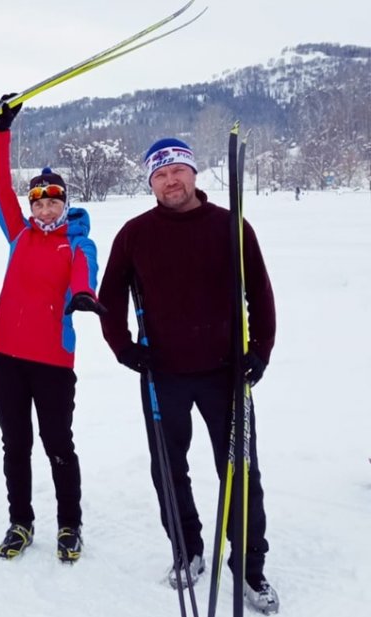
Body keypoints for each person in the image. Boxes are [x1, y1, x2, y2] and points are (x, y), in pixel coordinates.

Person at [97, 137, 279, 613]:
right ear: (151, 182)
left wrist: (258, 352)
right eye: (159, 174)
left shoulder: (230, 226)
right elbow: (110, 297)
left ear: (194, 174)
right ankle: (189, 550)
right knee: (169, 471)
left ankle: (250, 568)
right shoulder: (135, 233)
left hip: (226, 375)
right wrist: (123, 348)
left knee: (240, 473)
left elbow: (260, 295)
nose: (170, 180)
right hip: (162, 374)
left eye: (177, 170)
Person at [0, 102, 105, 564]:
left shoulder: (76, 241)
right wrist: (1, 132)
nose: (45, 207)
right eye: (38, 200)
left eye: (53, 200)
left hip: (53, 360)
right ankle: (21, 521)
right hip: (6, 357)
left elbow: (84, 270)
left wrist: (82, 294)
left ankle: (69, 525)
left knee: (58, 445)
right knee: (15, 444)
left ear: (65, 204)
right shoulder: (20, 235)